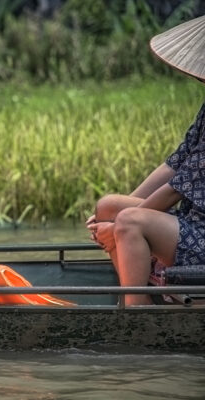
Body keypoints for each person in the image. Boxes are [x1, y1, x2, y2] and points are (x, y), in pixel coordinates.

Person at [86, 15, 205, 305]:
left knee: (129, 222)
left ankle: (136, 314)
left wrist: (117, 229)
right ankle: (144, 295)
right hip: (194, 220)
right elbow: (174, 164)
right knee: (110, 206)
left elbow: (176, 188)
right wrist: (115, 215)